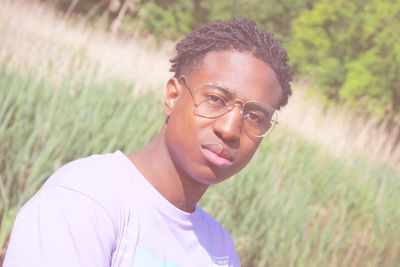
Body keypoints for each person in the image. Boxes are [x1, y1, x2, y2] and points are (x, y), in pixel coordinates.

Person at [4, 18, 293, 267]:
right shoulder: (88, 199)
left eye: (254, 116)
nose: (230, 129)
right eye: (216, 99)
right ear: (172, 96)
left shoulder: (220, 250)